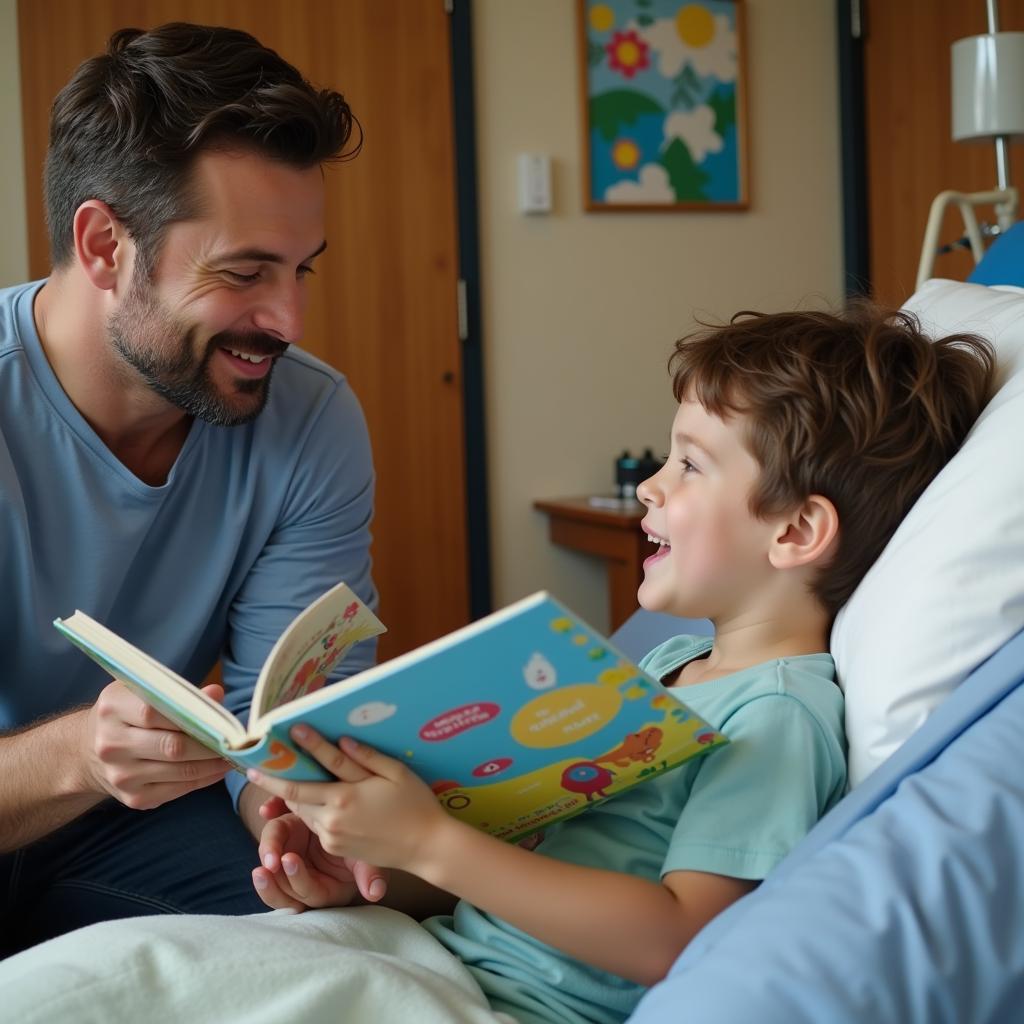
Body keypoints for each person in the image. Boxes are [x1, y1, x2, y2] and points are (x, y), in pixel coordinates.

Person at [240, 303, 994, 1024]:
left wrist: (431, 844)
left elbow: (683, 938)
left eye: (692, 466)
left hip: (519, 1004)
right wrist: (377, 871)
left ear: (796, 530)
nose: (651, 485)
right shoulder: (673, 661)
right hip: (451, 955)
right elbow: (530, 867)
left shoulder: (777, 717)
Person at [0, 22, 380, 955]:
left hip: (144, 830)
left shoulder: (312, 421)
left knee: (349, 950)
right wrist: (82, 753)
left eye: (301, 271)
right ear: (103, 246)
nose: (287, 320)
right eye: (244, 273)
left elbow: (285, 728)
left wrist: (280, 813)